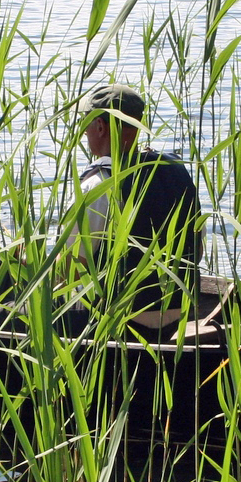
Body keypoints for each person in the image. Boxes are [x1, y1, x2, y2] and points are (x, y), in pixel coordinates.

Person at [65, 83, 202, 336]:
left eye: (86, 123)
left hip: (117, 322)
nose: (84, 132)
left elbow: (72, 275)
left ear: (100, 127)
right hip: (176, 318)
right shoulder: (176, 172)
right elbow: (197, 251)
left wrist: (28, 264)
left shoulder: (99, 185)